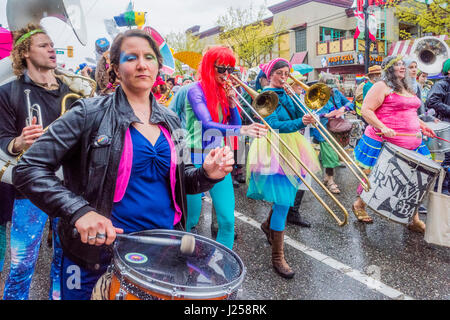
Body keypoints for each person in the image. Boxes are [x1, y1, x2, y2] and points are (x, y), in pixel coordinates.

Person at [12, 29, 235, 300]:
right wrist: (80, 211)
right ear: (116, 69)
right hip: (97, 255)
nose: (142, 64)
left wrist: (207, 174)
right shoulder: (87, 113)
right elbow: (28, 168)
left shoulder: (171, 119)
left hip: (162, 251)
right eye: (132, 58)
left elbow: (180, 179)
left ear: (157, 66)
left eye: (149, 57)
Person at [0, 23, 76, 300]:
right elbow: (3, 138)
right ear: (25, 53)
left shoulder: (74, 91)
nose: (51, 48)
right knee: (21, 263)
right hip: (28, 189)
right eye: (43, 45)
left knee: (66, 255)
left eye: (52, 44)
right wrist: (19, 142)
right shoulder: (8, 92)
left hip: (68, 186)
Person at [184, 46, 267, 250]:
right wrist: (243, 129)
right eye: (222, 69)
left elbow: (234, 122)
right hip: (193, 157)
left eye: (231, 70)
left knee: (228, 221)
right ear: (208, 68)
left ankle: (223, 267)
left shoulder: (224, 92)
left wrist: (231, 104)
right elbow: (207, 124)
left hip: (219, 157)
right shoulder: (195, 89)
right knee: (190, 219)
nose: (227, 75)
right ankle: (179, 261)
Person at [246, 58, 320, 278]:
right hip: (274, 148)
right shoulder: (266, 96)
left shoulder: (289, 93)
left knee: (285, 197)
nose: (284, 77)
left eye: (287, 73)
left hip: (293, 146)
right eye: (280, 73)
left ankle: (268, 226)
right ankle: (278, 257)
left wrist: (304, 112)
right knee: (283, 202)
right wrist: (301, 123)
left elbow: (298, 116)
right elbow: (275, 125)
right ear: (270, 75)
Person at [352, 55, 435, 231]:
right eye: (398, 65)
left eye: (402, 64)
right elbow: (366, 110)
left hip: (412, 142)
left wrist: (422, 126)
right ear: (389, 68)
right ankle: (359, 205)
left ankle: (413, 219)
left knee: (415, 181)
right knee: (377, 178)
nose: (402, 67)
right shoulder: (381, 86)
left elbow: (410, 113)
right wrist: (383, 127)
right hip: (383, 140)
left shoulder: (407, 86)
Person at [314, 73, 355, 195]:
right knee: (330, 156)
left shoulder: (336, 92)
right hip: (324, 128)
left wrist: (344, 108)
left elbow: (349, 103)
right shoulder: (315, 95)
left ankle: (327, 177)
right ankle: (331, 181)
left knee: (332, 154)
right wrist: (324, 115)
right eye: (328, 87)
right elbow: (311, 112)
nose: (331, 89)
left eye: (332, 87)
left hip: (337, 128)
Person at [425, 58, 450, 195]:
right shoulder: (441, 85)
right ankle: (442, 189)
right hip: (446, 124)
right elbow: (431, 101)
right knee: (448, 159)